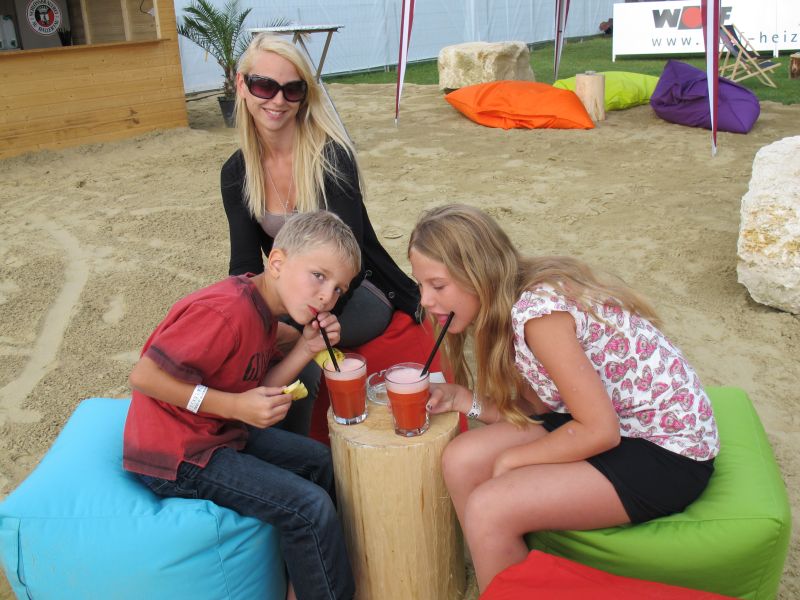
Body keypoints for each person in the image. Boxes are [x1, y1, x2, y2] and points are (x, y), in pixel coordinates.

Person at [408, 204, 719, 592]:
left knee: (490, 508)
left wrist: (513, 460)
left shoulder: (539, 316)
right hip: (603, 422)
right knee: (461, 459)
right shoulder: (505, 309)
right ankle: (498, 575)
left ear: (479, 274)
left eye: (438, 286)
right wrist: (462, 399)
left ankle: (501, 560)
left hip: (666, 451)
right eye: (421, 285)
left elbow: (600, 431)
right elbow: (538, 408)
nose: (425, 300)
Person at [123, 211, 359, 600]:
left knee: (320, 462)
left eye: (338, 289)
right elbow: (144, 376)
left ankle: (307, 582)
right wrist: (234, 407)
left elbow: (259, 386)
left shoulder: (265, 312)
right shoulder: (225, 311)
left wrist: (306, 347)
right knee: (308, 507)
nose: (327, 296)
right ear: (277, 262)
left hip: (217, 434)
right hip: (176, 456)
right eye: (319, 276)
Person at [221, 32, 419, 434]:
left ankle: (297, 457)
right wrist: (254, 320)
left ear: (304, 96)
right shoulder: (236, 172)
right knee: (241, 343)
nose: (278, 100)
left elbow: (350, 264)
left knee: (295, 360)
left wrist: (290, 330)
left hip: (355, 292)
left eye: (292, 89)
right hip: (294, 294)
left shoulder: (330, 157)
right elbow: (243, 265)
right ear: (241, 85)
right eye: (264, 86)